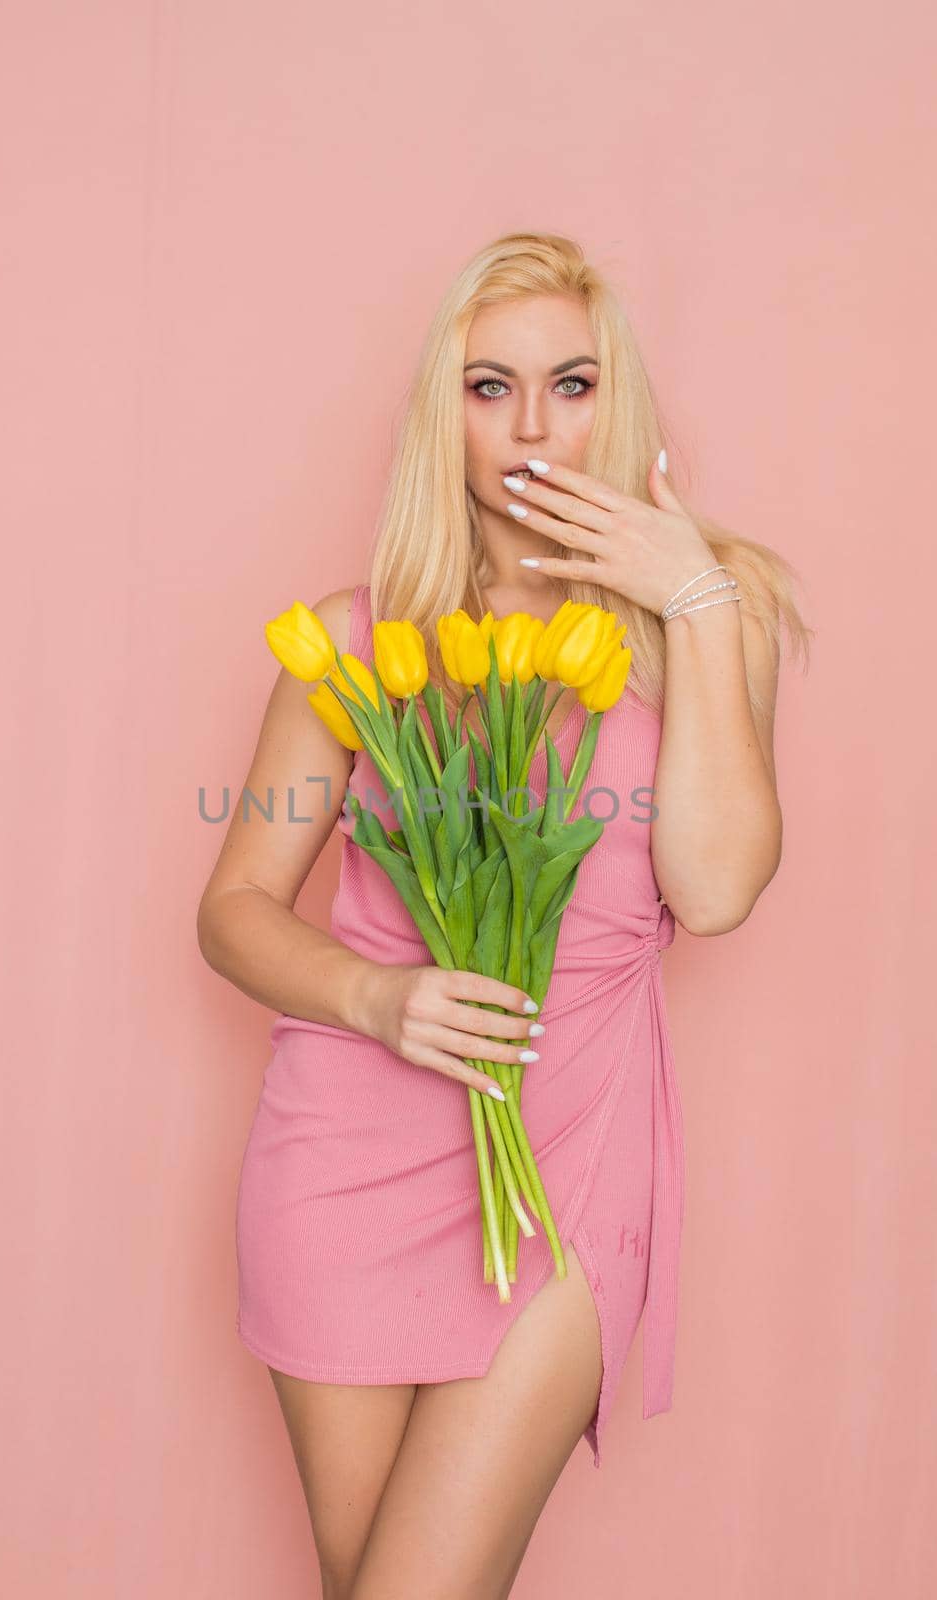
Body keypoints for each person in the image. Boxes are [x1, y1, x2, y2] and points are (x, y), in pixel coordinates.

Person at [197, 231, 812, 1600]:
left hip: (570, 1163)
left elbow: (714, 891)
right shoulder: (360, 643)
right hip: (343, 1156)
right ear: (443, 414)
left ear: (620, 400)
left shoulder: (711, 618)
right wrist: (377, 999)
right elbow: (234, 910)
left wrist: (695, 603)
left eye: (573, 382)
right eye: (490, 387)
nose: (534, 426)